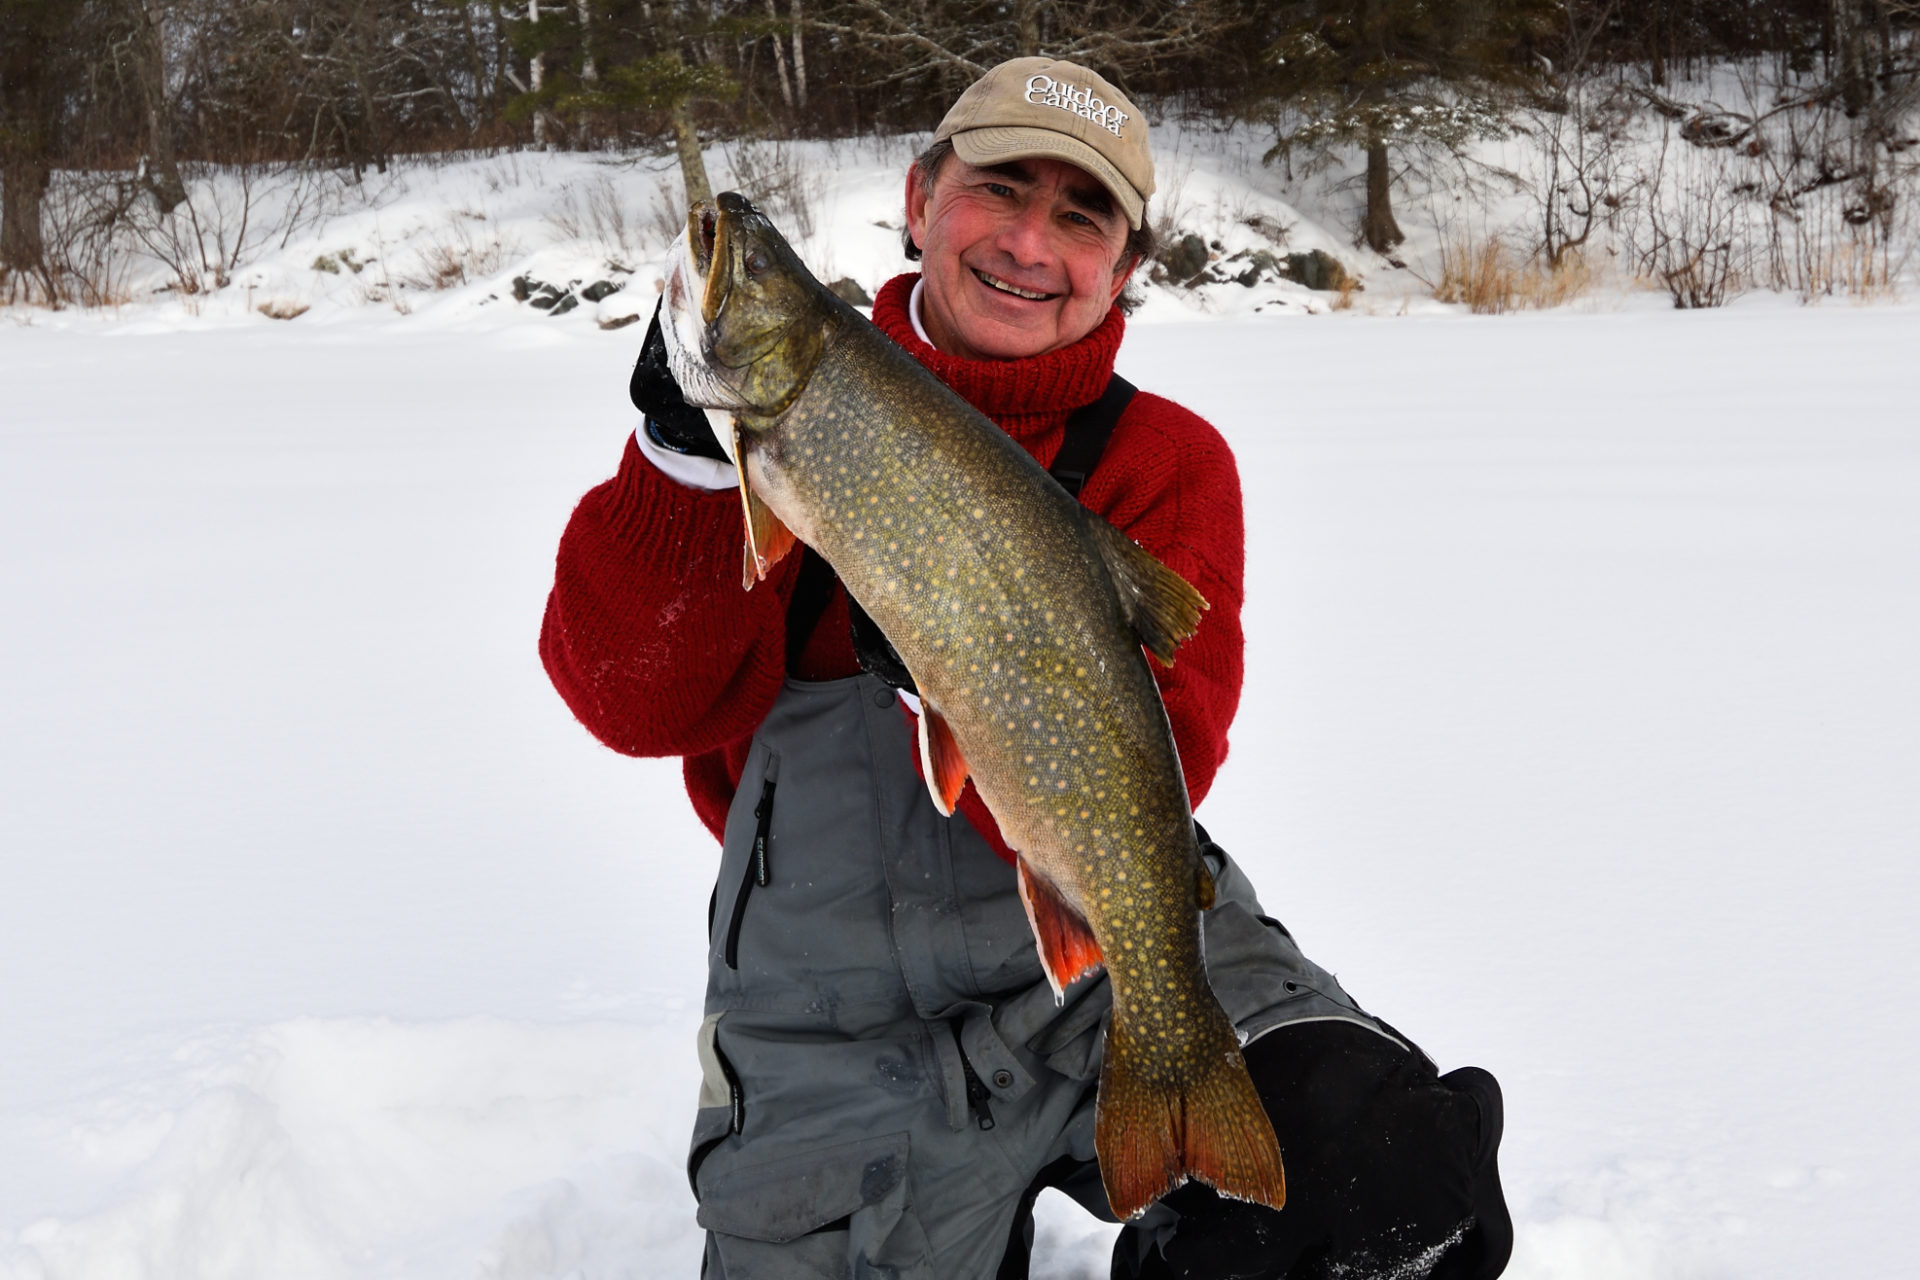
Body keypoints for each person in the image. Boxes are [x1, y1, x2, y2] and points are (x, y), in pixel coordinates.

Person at [540, 55, 1512, 1280]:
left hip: (1113, 942)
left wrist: (970, 661)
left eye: (1080, 213)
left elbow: (1181, 745)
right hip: (827, 1019)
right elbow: (633, 697)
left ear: (1125, 267)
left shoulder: (1167, 459)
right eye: (1000, 189)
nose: (1030, 242)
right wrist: (684, 455)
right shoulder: (783, 422)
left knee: (1384, 1183)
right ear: (919, 197)